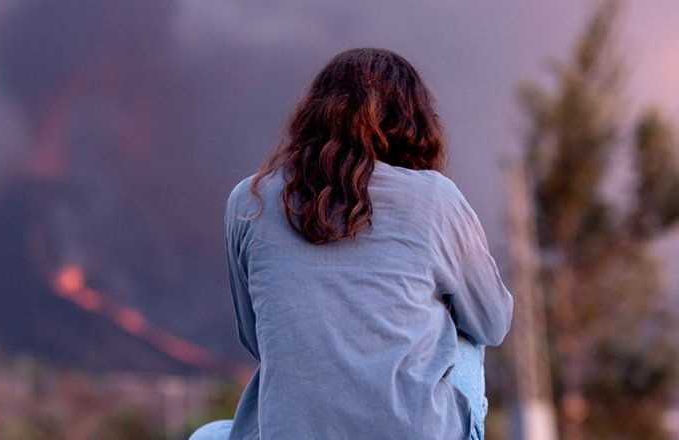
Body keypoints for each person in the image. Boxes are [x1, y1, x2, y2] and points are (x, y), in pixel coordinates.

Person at [191, 48, 513, 440]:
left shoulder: (248, 200)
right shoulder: (435, 199)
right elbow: (492, 324)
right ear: (413, 123)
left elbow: (256, 337)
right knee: (463, 336)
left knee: (206, 436)